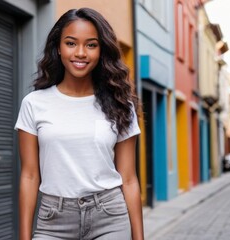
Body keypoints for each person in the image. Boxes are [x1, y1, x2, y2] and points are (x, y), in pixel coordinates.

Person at [15, 7, 144, 240]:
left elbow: (129, 178)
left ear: (101, 51)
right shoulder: (34, 103)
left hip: (109, 217)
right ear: (58, 47)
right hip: (53, 220)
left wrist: (139, 237)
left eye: (91, 45)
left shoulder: (121, 104)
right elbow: (29, 176)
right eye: (71, 43)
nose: (81, 53)